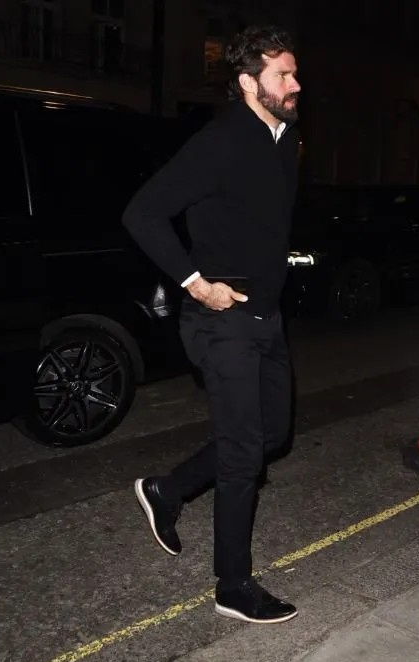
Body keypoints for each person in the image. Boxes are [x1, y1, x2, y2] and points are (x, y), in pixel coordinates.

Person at [122, 24, 301, 624]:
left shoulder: (283, 138)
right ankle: (233, 585)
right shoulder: (221, 141)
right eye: (283, 75)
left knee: (273, 434)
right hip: (221, 321)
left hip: (266, 317)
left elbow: (257, 221)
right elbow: (143, 213)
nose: (295, 84)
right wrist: (196, 282)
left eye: (294, 72)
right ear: (249, 83)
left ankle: (166, 490)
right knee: (244, 452)